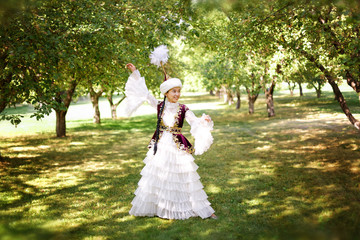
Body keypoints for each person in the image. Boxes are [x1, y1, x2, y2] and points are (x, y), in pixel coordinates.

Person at [125, 63, 217, 220]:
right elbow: (145, 94)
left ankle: (200, 207)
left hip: (177, 145)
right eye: (174, 91)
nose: (177, 94)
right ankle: (160, 205)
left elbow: (193, 121)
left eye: (179, 91)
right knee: (160, 173)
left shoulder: (184, 109)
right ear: (166, 93)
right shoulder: (159, 105)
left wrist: (203, 120)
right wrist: (135, 73)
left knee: (184, 173)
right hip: (161, 145)